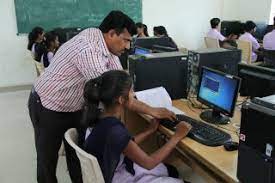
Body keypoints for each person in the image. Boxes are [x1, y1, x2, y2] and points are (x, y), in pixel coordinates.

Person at [28, 10, 176, 183]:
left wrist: (134, 94)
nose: (128, 47)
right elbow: (117, 92)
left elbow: (121, 80)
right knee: (47, 160)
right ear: (112, 33)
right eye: (126, 40)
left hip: (74, 105)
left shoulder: (105, 44)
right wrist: (153, 111)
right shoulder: (88, 49)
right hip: (48, 104)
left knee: (77, 154)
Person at [82, 70, 192, 183]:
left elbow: (123, 144)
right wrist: (177, 137)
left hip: (112, 169)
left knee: (171, 170)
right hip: (116, 176)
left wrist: (149, 131)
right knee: (172, 173)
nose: (133, 94)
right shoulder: (114, 129)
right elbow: (149, 163)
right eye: (131, 92)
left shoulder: (99, 116)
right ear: (121, 100)